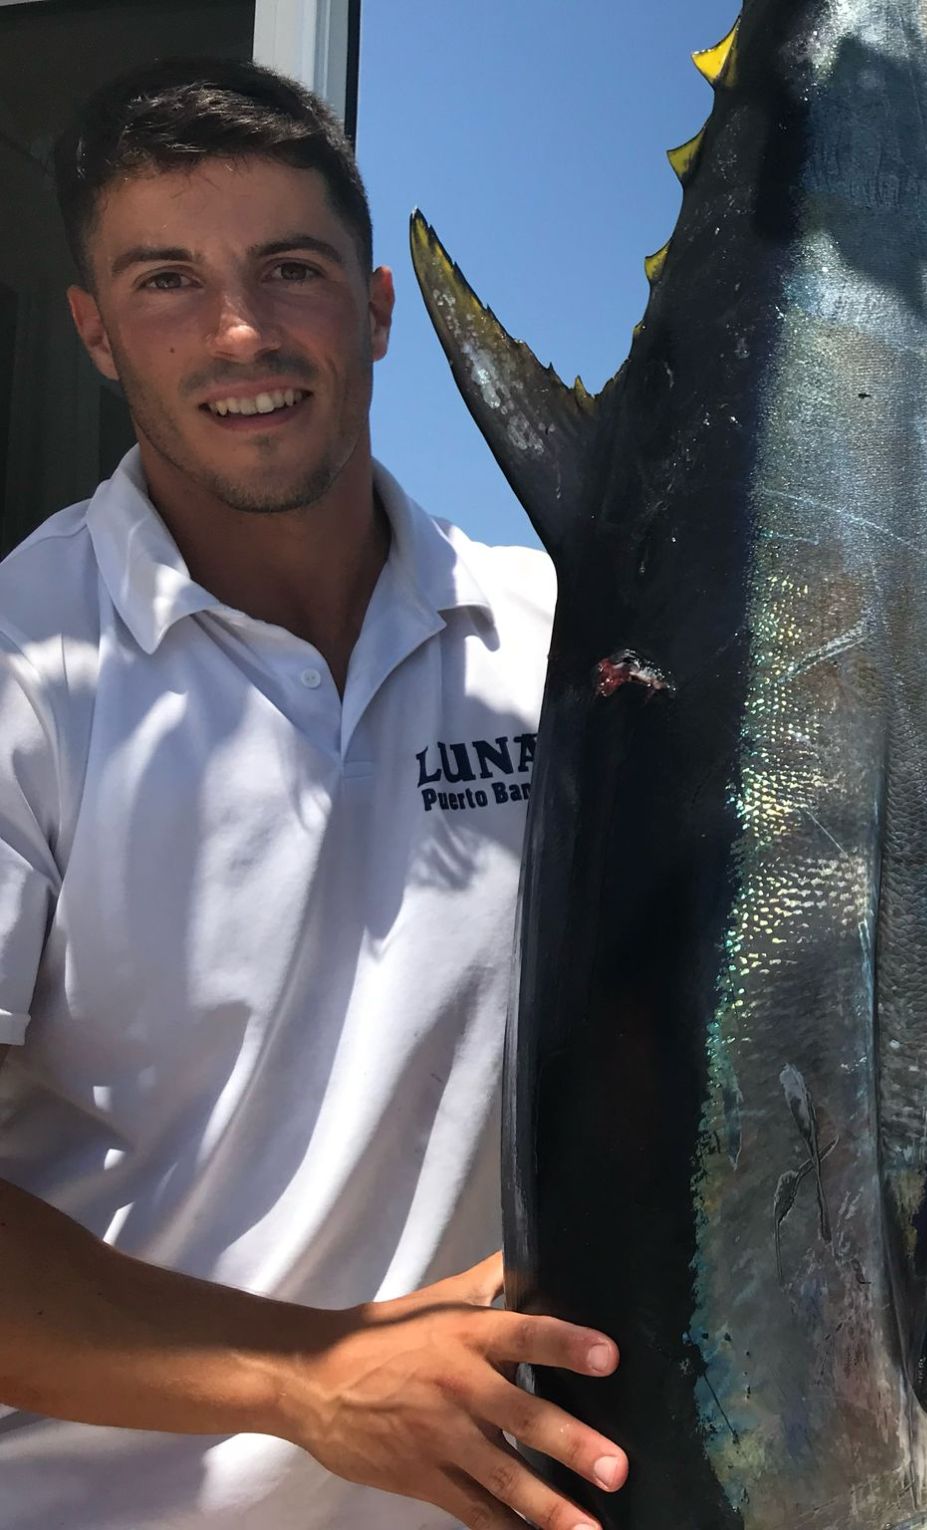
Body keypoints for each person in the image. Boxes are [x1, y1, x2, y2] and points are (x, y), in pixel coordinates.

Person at [0, 59, 626, 1530]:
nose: (239, 331)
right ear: (94, 331)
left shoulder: (562, 641)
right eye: (166, 281)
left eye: (292, 268)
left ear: (377, 308)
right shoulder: (24, 665)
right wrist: (309, 1376)